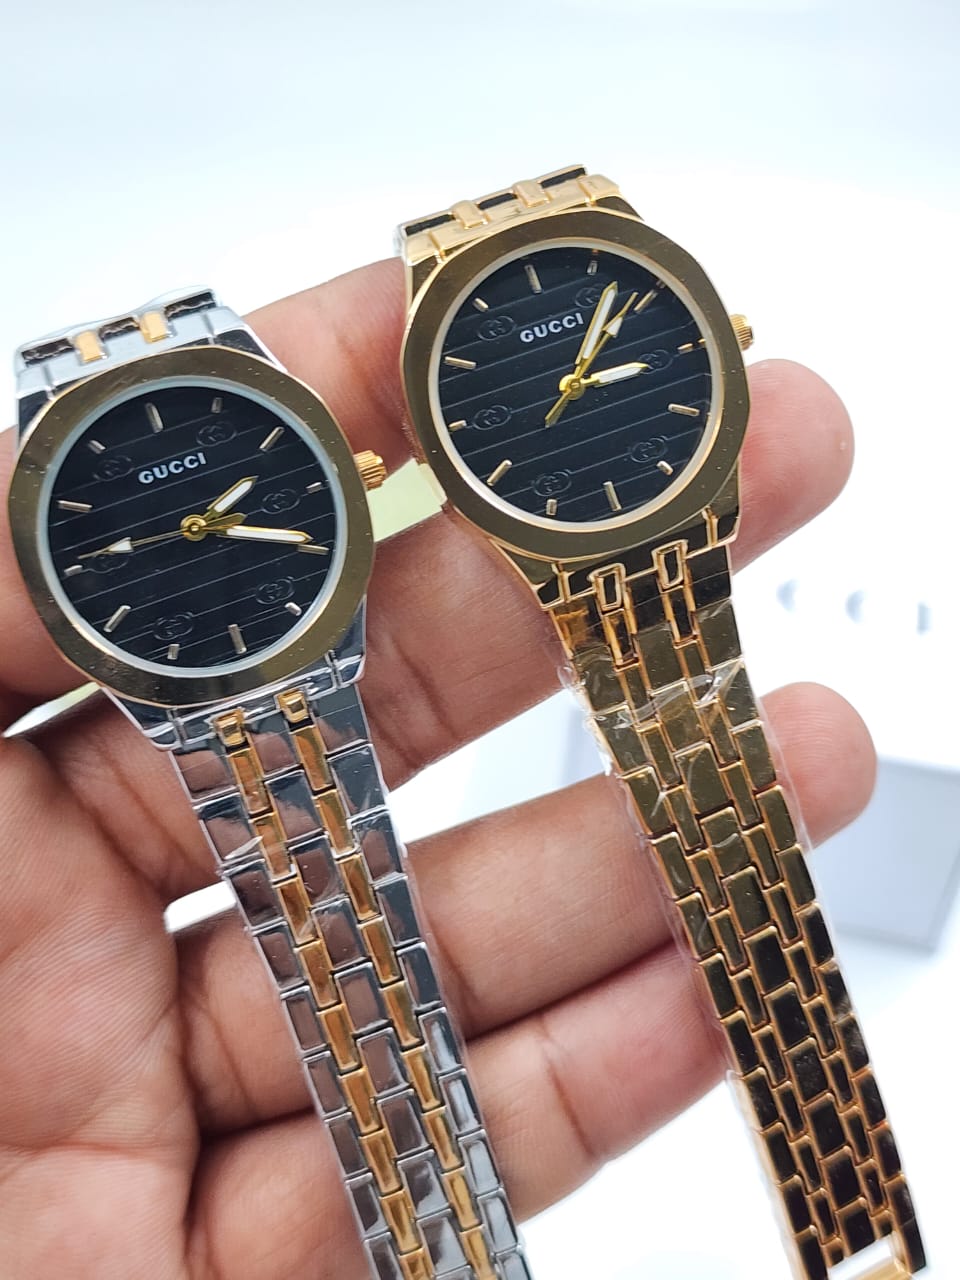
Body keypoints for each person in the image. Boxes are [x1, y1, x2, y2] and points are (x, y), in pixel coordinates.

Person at [0, 259, 874, 1278]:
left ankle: (855, 1235)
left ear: (352, 477)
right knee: (359, 986)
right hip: (211, 693)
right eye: (189, 530)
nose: (199, 529)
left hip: (295, 659)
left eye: (216, 518)